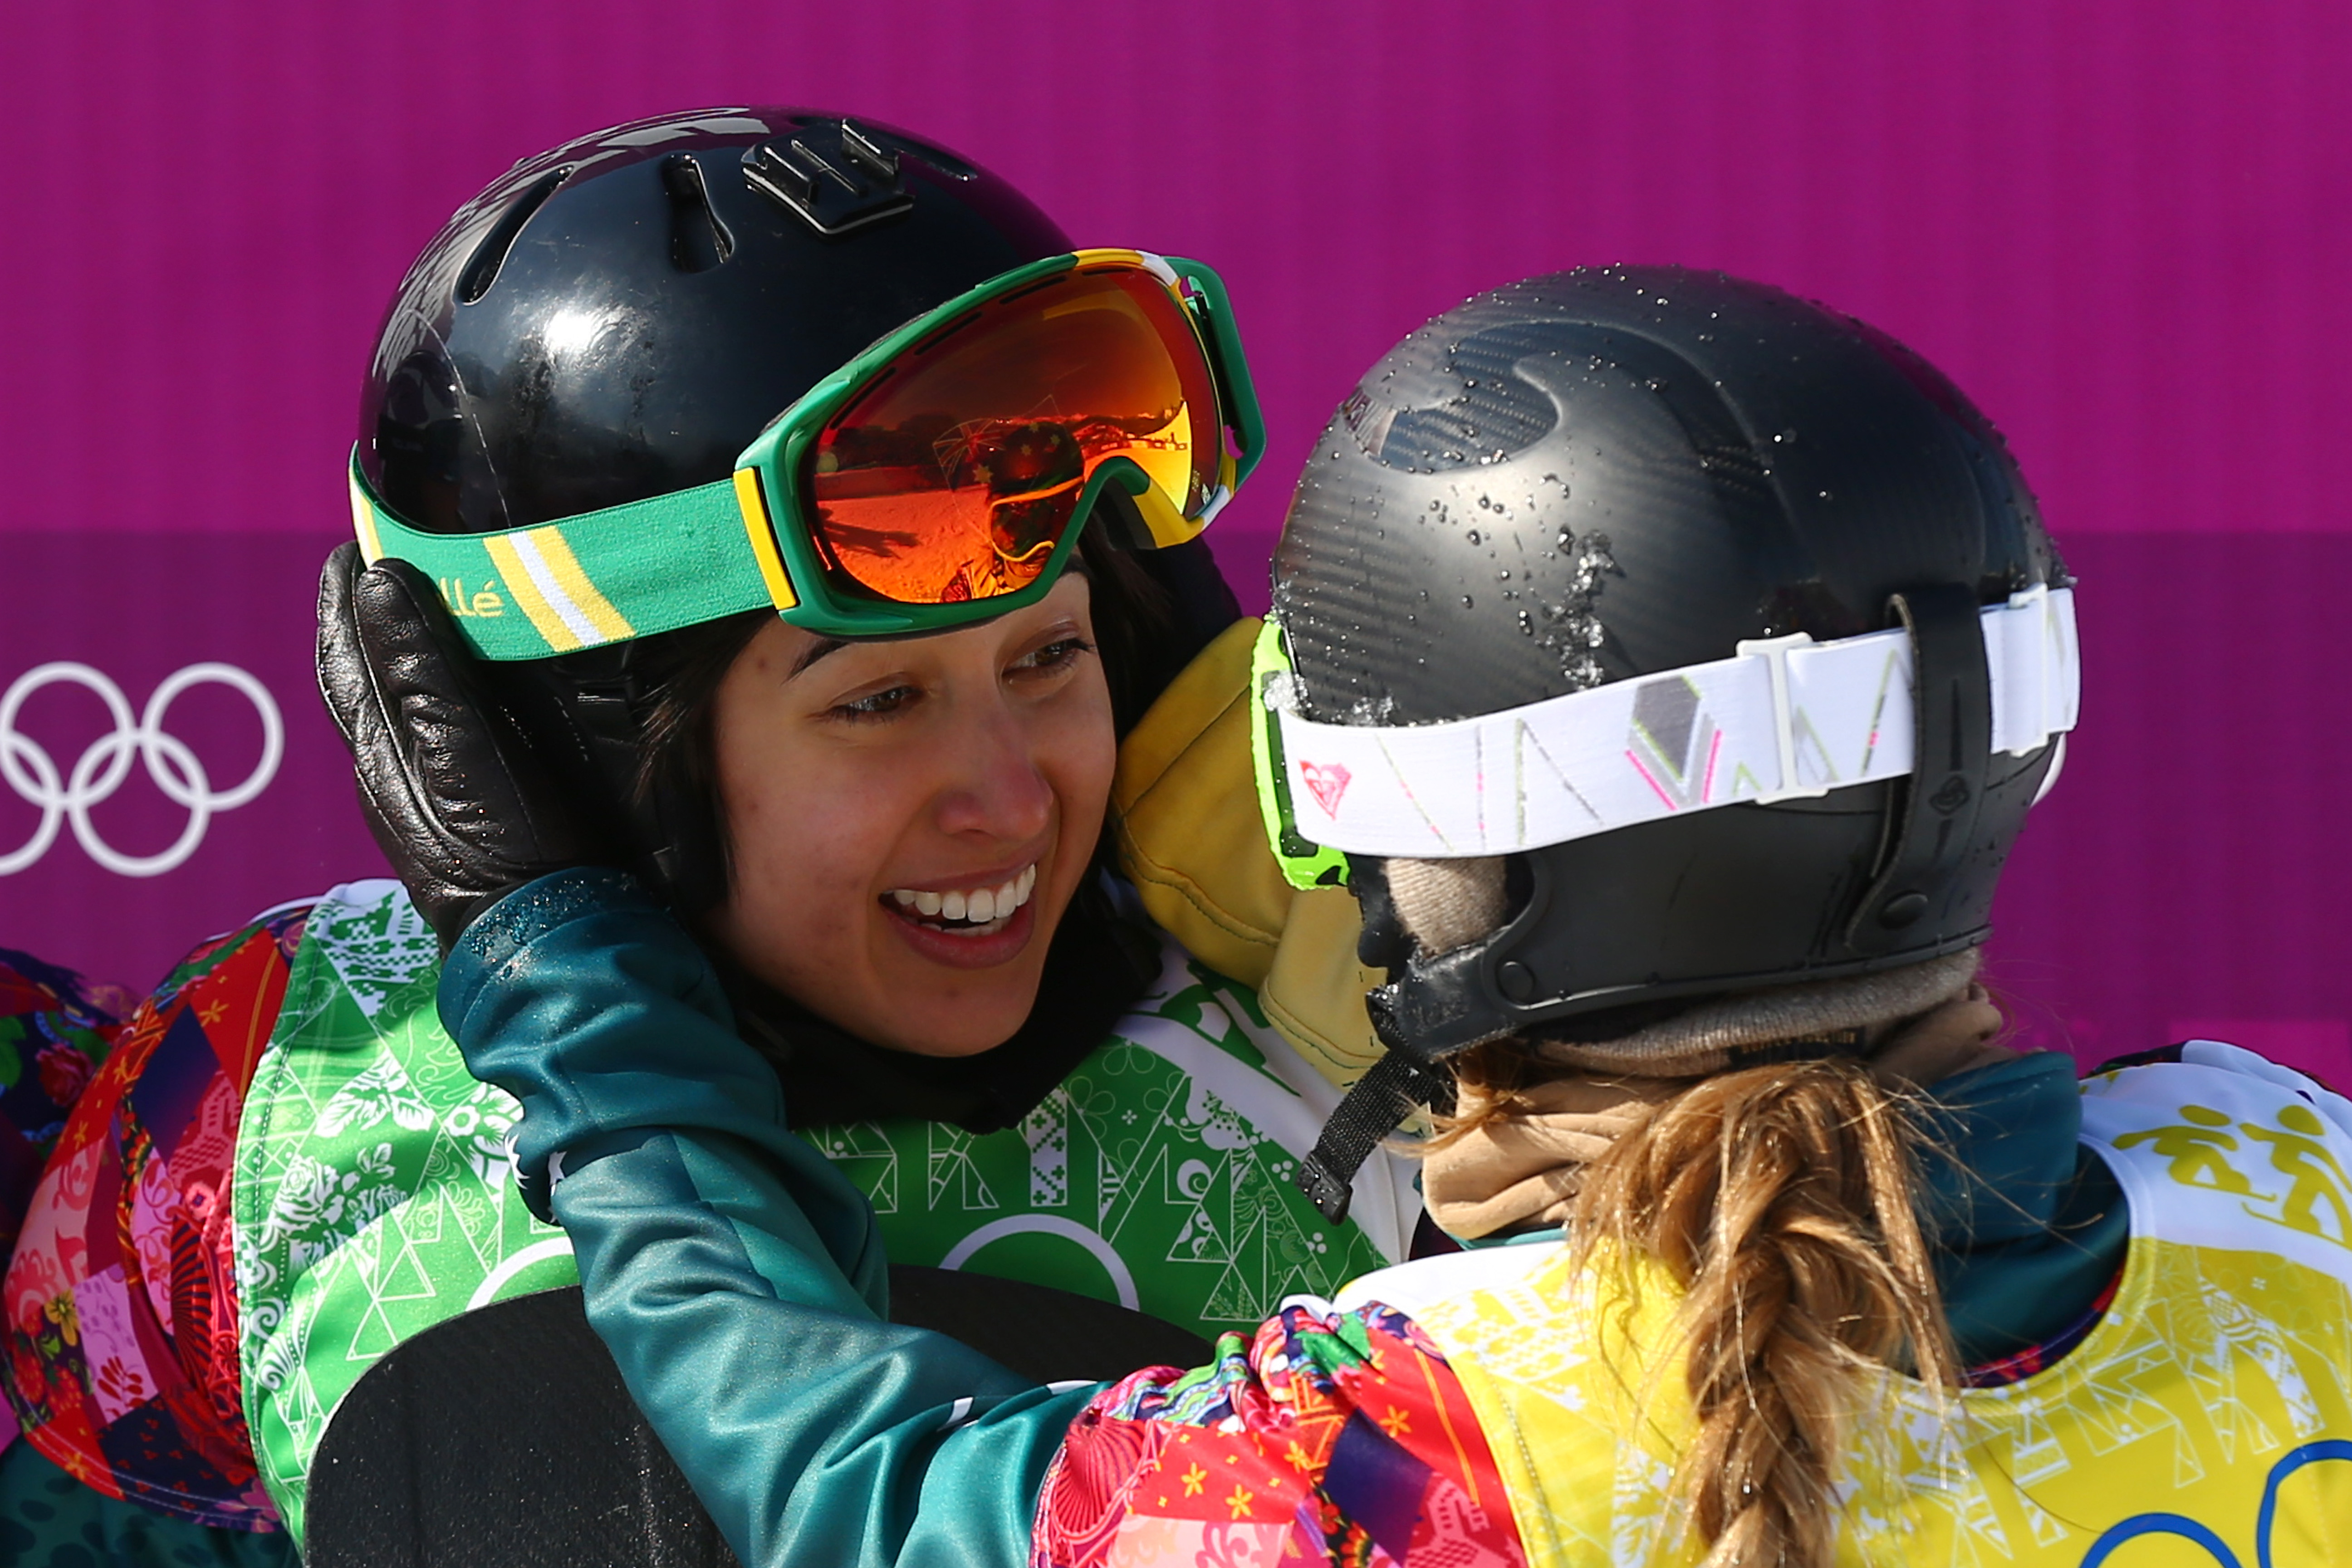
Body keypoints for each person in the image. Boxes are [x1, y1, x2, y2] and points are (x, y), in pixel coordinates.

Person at [446, 265, 2352, 1568]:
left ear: (1442, 872)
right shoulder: (2286, 1178)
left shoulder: (1433, 1448)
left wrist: (575, 984)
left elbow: (867, 1498)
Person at [0, 108, 1419, 1566]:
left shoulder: (1392, 1039)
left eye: (1052, 660)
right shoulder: (248, 1093)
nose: (1009, 800)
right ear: (588, 752)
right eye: (876, 700)